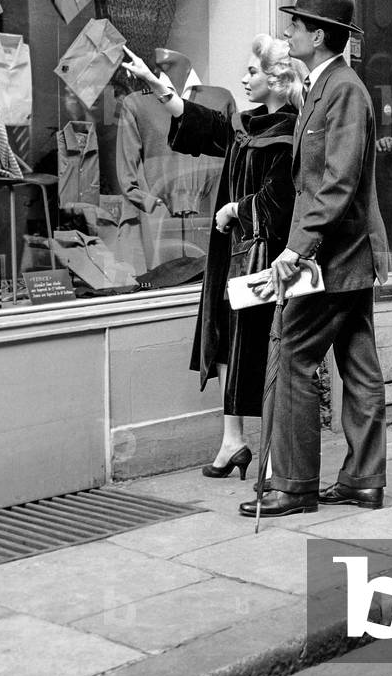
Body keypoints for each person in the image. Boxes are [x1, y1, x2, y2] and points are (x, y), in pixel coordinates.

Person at [238, 0, 390, 519]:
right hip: (343, 255)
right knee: (359, 364)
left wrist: (297, 248)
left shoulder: (343, 89)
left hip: (332, 256)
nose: (289, 31)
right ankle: (362, 480)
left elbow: (337, 180)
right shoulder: (325, 86)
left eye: (297, 25)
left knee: (295, 355)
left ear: (319, 36)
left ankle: (296, 484)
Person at [122, 37, 306, 479]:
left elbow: (279, 202)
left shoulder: (291, 134)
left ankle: (271, 458)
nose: (243, 79)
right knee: (224, 340)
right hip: (233, 252)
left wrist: (232, 210)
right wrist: (157, 87)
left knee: (262, 348)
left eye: (253, 73)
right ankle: (232, 441)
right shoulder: (247, 124)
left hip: (267, 257)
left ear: (278, 81)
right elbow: (203, 124)